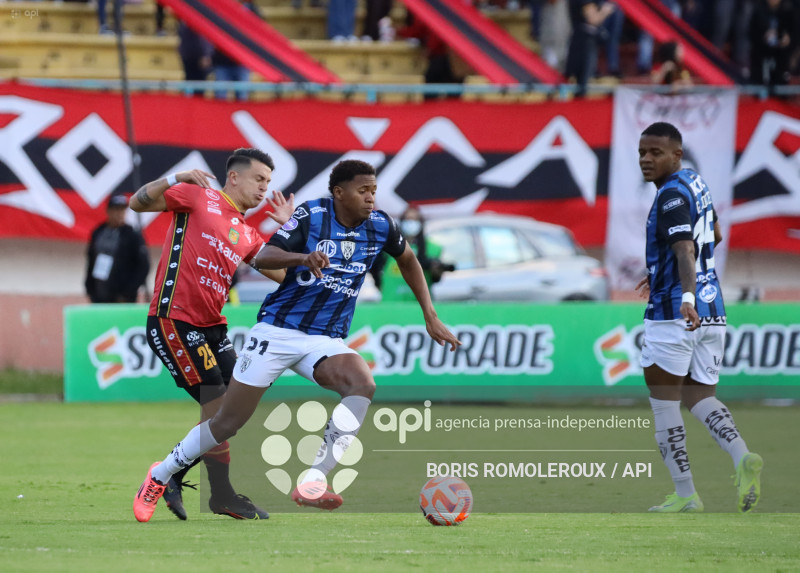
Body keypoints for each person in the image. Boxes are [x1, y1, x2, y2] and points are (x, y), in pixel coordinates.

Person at [133, 159, 462, 522]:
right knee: (227, 421)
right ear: (339, 193)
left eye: (374, 191)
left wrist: (430, 315)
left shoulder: (382, 226)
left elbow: (410, 260)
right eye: (363, 191)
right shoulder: (311, 215)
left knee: (362, 384)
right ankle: (161, 474)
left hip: (324, 338)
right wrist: (302, 253)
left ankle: (314, 480)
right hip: (276, 331)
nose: (371, 199)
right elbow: (266, 255)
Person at [129, 148, 294, 521]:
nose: (265, 189)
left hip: (212, 327)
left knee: (234, 408)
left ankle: (194, 485)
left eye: (269, 182)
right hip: (175, 319)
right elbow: (138, 204)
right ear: (233, 177)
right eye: (259, 179)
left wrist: (286, 230)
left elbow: (282, 274)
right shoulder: (199, 196)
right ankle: (195, 486)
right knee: (220, 407)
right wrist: (176, 178)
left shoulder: (245, 231)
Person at [635, 122, 763, 513]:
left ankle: (686, 494)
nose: (646, 159)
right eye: (642, 152)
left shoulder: (671, 196)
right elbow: (715, 236)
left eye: (655, 152)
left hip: (677, 312)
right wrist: (667, 270)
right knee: (699, 395)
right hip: (712, 311)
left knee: (664, 402)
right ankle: (742, 457)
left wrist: (683, 291)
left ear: (677, 155)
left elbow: (686, 248)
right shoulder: (696, 182)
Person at [373, 206, 453, 302]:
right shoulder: (388, 245)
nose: (411, 223)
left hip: (419, 305)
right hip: (391, 304)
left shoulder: (432, 248)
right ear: (401, 222)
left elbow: (436, 278)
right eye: (408, 219)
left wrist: (436, 271)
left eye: (415, 220)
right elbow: (375, 268)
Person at [85, 194, 150, 303]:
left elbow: (143, 266)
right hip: (99, 293)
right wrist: (89, 287)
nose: (119, 214)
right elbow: (91, 259)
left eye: (122, 210)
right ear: (108, 211)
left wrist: (128, 292)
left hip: (123, 296)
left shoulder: (132, 234)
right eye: (116, 210)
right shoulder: (99, 232)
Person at [564, 0, 616, 97]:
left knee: (582, 82)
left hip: (582, 40)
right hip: (584, 43)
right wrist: (605, 10)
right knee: (582, 82)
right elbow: (593, 19)